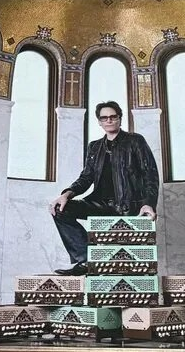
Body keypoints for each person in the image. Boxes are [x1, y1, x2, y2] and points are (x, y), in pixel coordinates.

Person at [49, 101, 159, 275]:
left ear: (120, 119)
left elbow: (150, 175)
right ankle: (87, 259)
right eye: (104, 118)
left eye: (113, 117)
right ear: (99, 122)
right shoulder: (94, 147)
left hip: (127, 205)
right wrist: (66, 195)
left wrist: (148, 203)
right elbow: (86, 178)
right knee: (59, 209)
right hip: (99, 204)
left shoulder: (135, 141)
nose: (109, 120)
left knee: (128, 267)